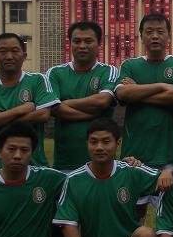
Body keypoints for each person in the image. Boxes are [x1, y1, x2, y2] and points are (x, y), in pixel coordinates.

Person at [53, 118, 160, 237]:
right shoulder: (74, 180)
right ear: (87, 144)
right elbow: (68, 226)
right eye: (94, 142)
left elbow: (164, 180)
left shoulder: (130, 170)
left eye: (106, 141)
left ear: (117, 144)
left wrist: (167, 173)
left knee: (146, 234)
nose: (99, 147)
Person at [114, 13, 173, 217]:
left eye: (160, 32)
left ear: (169, 36)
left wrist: (138, 92)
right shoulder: (130, 65)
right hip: (135, 156)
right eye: (149, 32)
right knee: (133, 218)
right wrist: (160, 86)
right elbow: (122, 93)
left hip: (169, 155)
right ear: (141, 36)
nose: (155, 36)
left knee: (171, 218)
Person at [0, 33, 59, 175]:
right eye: (3, 51)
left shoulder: (37, 80)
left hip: (35, 166)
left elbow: (43, 114)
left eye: (15, 51)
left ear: (24, 55)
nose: (9, 56)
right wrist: (21, 110)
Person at [47, 20, 119, 171]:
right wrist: (94, 116)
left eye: (88, 41)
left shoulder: (109, 71)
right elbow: (54, 108)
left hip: (102, 165)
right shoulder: (55, 73)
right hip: (64, 163)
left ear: (99, 44)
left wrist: (65, 103)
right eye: (77, 41)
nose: (82, 46)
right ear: (70, 44)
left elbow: (102, 101)